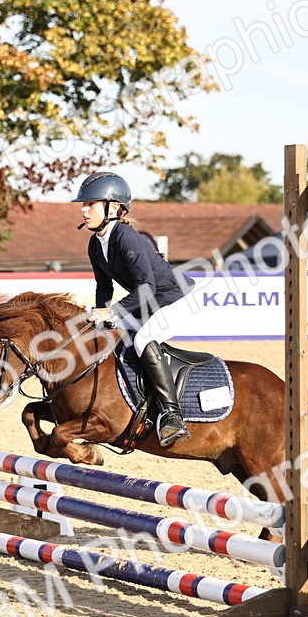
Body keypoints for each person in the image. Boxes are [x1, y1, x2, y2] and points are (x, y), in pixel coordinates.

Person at [75, 171, 195, 446]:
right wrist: (100, 315)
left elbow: (147, 288)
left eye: (91, 204)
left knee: (142, 340)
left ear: (113, 208)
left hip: (176, 299)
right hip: (150, 301)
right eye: (83, 204)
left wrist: (112, 312)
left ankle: (173, 416)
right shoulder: (95, 244)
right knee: (113, 339)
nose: (83, 209)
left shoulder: (126, 237)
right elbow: (103, 287)